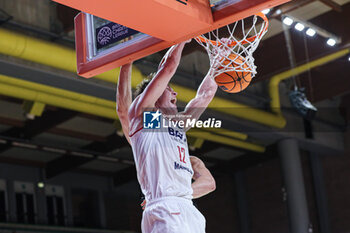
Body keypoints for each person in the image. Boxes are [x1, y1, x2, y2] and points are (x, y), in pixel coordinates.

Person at [116, 40, 217, 233]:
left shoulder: (177, 125)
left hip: (188, 209)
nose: (175, 92)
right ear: (153, 94)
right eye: (168, 88)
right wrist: (183, 37)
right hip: (165, 207)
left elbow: (204, 95)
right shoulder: (148, 121)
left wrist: (219, 59)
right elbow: (168, 66)